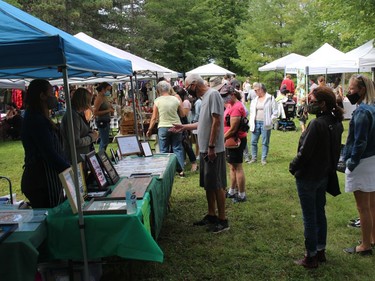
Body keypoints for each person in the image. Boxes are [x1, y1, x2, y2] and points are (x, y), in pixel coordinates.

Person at [289, 86, 344, 268]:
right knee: (319, 213)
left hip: (309, 176)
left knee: (310, 217)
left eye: (312, 101)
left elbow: (305, 153)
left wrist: (293, 166)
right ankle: (320, 251)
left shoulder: (317, 124)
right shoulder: (335, 122)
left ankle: (311, 256)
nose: (309, 104)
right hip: (323, 175)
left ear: (322, 104)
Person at [171, 73, 229, 233]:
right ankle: (211, 215)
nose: (188, 91)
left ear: (194, 84)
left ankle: (223, 220)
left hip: (213, 150)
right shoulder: (204, 99)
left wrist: (211, 147)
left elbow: (217, 121)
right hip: (205, 149)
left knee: (217, 185)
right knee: (208, 185)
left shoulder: (213, 95)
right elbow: (203, 123)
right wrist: (183, 127)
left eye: (188, 87)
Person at [21, 79, 70, 208]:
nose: (53, 97)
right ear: (42, 95)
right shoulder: (35, 119)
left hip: (47, 179)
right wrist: (70, 170)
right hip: (41, 182)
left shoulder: (39, 116)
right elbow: (49, 153)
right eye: (51, 93)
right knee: (50, 217)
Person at [342, 74, 375, 256]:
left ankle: (365, 246)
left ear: (362, 90)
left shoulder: (363, 111)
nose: (349, 92)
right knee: (371, 205)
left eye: (352, 88)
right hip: (372, 159)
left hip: (362, 161)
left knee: (363, 207)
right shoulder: (373, 108)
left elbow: (360, 141)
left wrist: (351, 163)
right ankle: (372, 238)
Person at [146, 81, 185, 176]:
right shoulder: (176, 99)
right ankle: (181, 171)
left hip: (163, 126)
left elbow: (154, 117)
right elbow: (183, 114)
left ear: (159, 90)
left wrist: (150, 129)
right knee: (177, 148)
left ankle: (165, 171)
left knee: (163, 150)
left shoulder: (157, 100)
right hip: (176, 126)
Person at [220, 85, 248, 203]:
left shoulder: (236, 107)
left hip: (235, 140)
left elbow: (233, 129)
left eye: (225, 96)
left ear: (232, 94)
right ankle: (232, 190)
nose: (223, 99)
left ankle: (241, 194)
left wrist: (221, 139)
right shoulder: (231, 105)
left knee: (237, 167)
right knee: (232, 166)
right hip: (231, 140)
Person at [60, 88, 99, 163]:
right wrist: (91, 137)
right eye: (89, 101)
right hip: (75, 159)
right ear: (84, 101)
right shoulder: (73, 116)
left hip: (80, 157)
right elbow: (75, 142)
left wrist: (91, 133)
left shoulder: (77, 113)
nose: (90, 103)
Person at [248, 83, 278, 165]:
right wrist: (251, 122)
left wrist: (271, 121)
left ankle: (263, 159)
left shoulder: (270, 98)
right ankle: (254, 158)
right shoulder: (255, 99)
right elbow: (251, 112)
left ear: (261, 89)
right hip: (256, 122)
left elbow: (275, 112)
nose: (254, 91)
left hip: (265, 123)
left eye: (256, 90)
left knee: (265, 142)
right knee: (253, 141)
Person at [174, 85, 198, 172]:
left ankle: (194, 163)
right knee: (182, 145)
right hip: (180, 124)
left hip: (184, 125)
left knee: (186, 145)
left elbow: (183, 115)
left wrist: (178, 104)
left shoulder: (185, 103)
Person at [93, 82, 114, 152]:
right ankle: (101, 155)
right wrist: (108, 110)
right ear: (103, 89)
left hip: (106, 121)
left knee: (105, 140)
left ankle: (102, 154)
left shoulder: (104, 97)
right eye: (107, 90)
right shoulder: (99, 98)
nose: (108, 92)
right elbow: (95, 112)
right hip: (102, 121)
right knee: (104, 141)